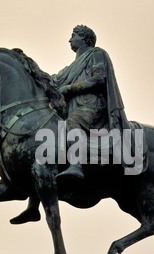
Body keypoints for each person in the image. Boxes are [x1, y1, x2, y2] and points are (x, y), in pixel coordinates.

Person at [51, 25, 129, 180]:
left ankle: (76, 165)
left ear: (84, 38)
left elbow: (99, 78)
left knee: (72, 122)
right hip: (73, 107)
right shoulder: (69, 68)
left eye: (73, 35)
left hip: (92, 105)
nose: (70, 39)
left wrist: (70, 88)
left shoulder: (97, 54)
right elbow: (53, 81)